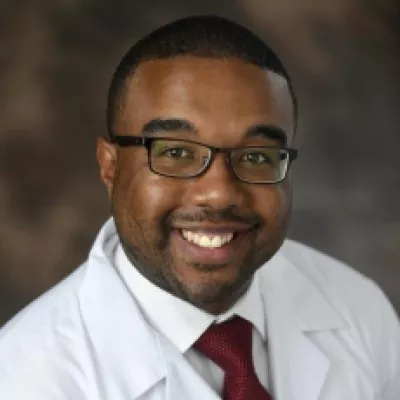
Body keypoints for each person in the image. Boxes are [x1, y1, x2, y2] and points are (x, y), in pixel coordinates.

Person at [0, 15, 399, 400]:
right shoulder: (27, 379)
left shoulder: (357, 308)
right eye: (176, 152)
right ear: (110, 166)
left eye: (256, 156)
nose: (219, 194)